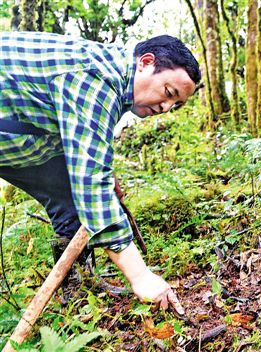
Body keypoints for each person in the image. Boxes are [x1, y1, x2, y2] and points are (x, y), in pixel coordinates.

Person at [0, 31, 201, 314]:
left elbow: (88, 146)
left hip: (24, 138)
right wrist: (140, 276)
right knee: (85, 194)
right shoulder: (96, 80)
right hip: (12, 134)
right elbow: (91, 184)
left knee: (68, 199)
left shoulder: (116, 79)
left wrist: (105, 175)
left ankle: (77, 289)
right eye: (169, 93)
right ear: (145, 62)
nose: (166, 107)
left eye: (175, 104)